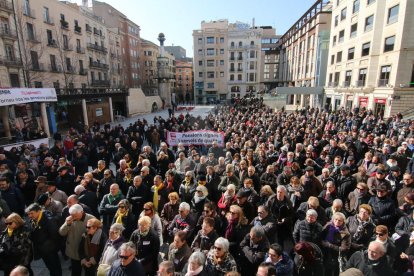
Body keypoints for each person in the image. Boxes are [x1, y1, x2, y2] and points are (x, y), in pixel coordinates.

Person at [26, 203, 62, 276]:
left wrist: (48, 246)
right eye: (28, 214)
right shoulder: (34, 219)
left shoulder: (49, 220)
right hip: (42, 250)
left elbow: (55, 236)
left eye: (31, 213)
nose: (29, 216)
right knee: (50, 267)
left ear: (39, 211)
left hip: (50, 250)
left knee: (55, 268)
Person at [59, 204, 95, 276]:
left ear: (81, 212)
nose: (73, 218)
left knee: (89, 272)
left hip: (86, 252)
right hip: (74, 251)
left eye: (75, 216)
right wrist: (67, 224)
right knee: (75, 271)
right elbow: (61, 233)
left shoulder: (91, 219)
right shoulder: (70, 219)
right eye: (72, 215)